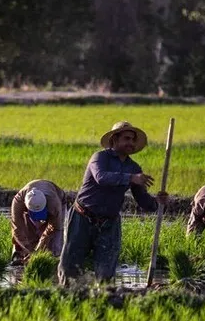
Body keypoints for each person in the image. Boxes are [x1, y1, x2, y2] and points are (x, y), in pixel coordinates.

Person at [58, 120, 168, 284]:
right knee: (69, 269)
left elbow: (143, 200)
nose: (130, 143)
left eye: (132, 139)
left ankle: (103, 300)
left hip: (109, 223)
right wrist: (130, 178)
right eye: (126, 138)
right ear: (114, 140)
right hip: (82, 217)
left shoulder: (134, 168)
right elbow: (101, 178)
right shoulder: (100, 157)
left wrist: (158, 202)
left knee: (106, 273)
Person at [10, 179, 65, 264]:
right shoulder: (18, 202)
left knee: (55, 245)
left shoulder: (54, 204)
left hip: (57, 202)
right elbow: (17, 229)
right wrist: (30, 251)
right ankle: (19, 257)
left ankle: (56, 263)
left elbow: (52, 228)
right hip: (27, 210)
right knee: (27, 237)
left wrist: (39, 249)